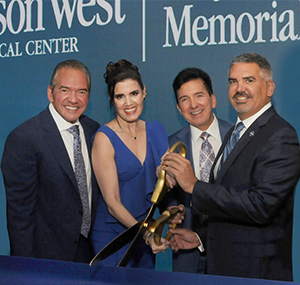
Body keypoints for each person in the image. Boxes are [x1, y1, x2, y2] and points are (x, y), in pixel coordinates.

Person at [162, 52, 300, 281]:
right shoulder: (237, 133)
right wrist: (200, 238)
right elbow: (230, 206)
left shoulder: (280, 135)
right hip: (225, 269)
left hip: (256, 273)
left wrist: (194, 186)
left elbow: (261, 206)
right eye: (233, 81)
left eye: (249, 80)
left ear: (270, 88)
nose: (239, 88)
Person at [1, 60, 100, 263]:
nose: (73, 99)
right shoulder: (25, 138)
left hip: (90, 254)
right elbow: (20, 217)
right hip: (45, 259)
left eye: (81, 91)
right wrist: (26, 269)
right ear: (50, 93)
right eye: (65, 90)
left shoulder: (94, 130)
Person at [90, 59, 169, 269]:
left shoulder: (156, 130)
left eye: (134, 93)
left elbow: (164, 182)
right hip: (114, 238)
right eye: (120, 96)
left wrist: (173, 194)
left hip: (144, 236)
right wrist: (145, 233)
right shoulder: (104, 138)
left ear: (144, 92)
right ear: (111, 99)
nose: (128, 103)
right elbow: (112, 202)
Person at [164, 68, 232, 273]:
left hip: (232, 249)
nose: (193, 105)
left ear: (213, 100)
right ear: (178, 107)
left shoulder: (238, 138)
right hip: (187, 251)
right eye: (185, 99)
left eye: (199, 96)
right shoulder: (170, 146)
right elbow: (167, 196)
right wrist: (173, 210)